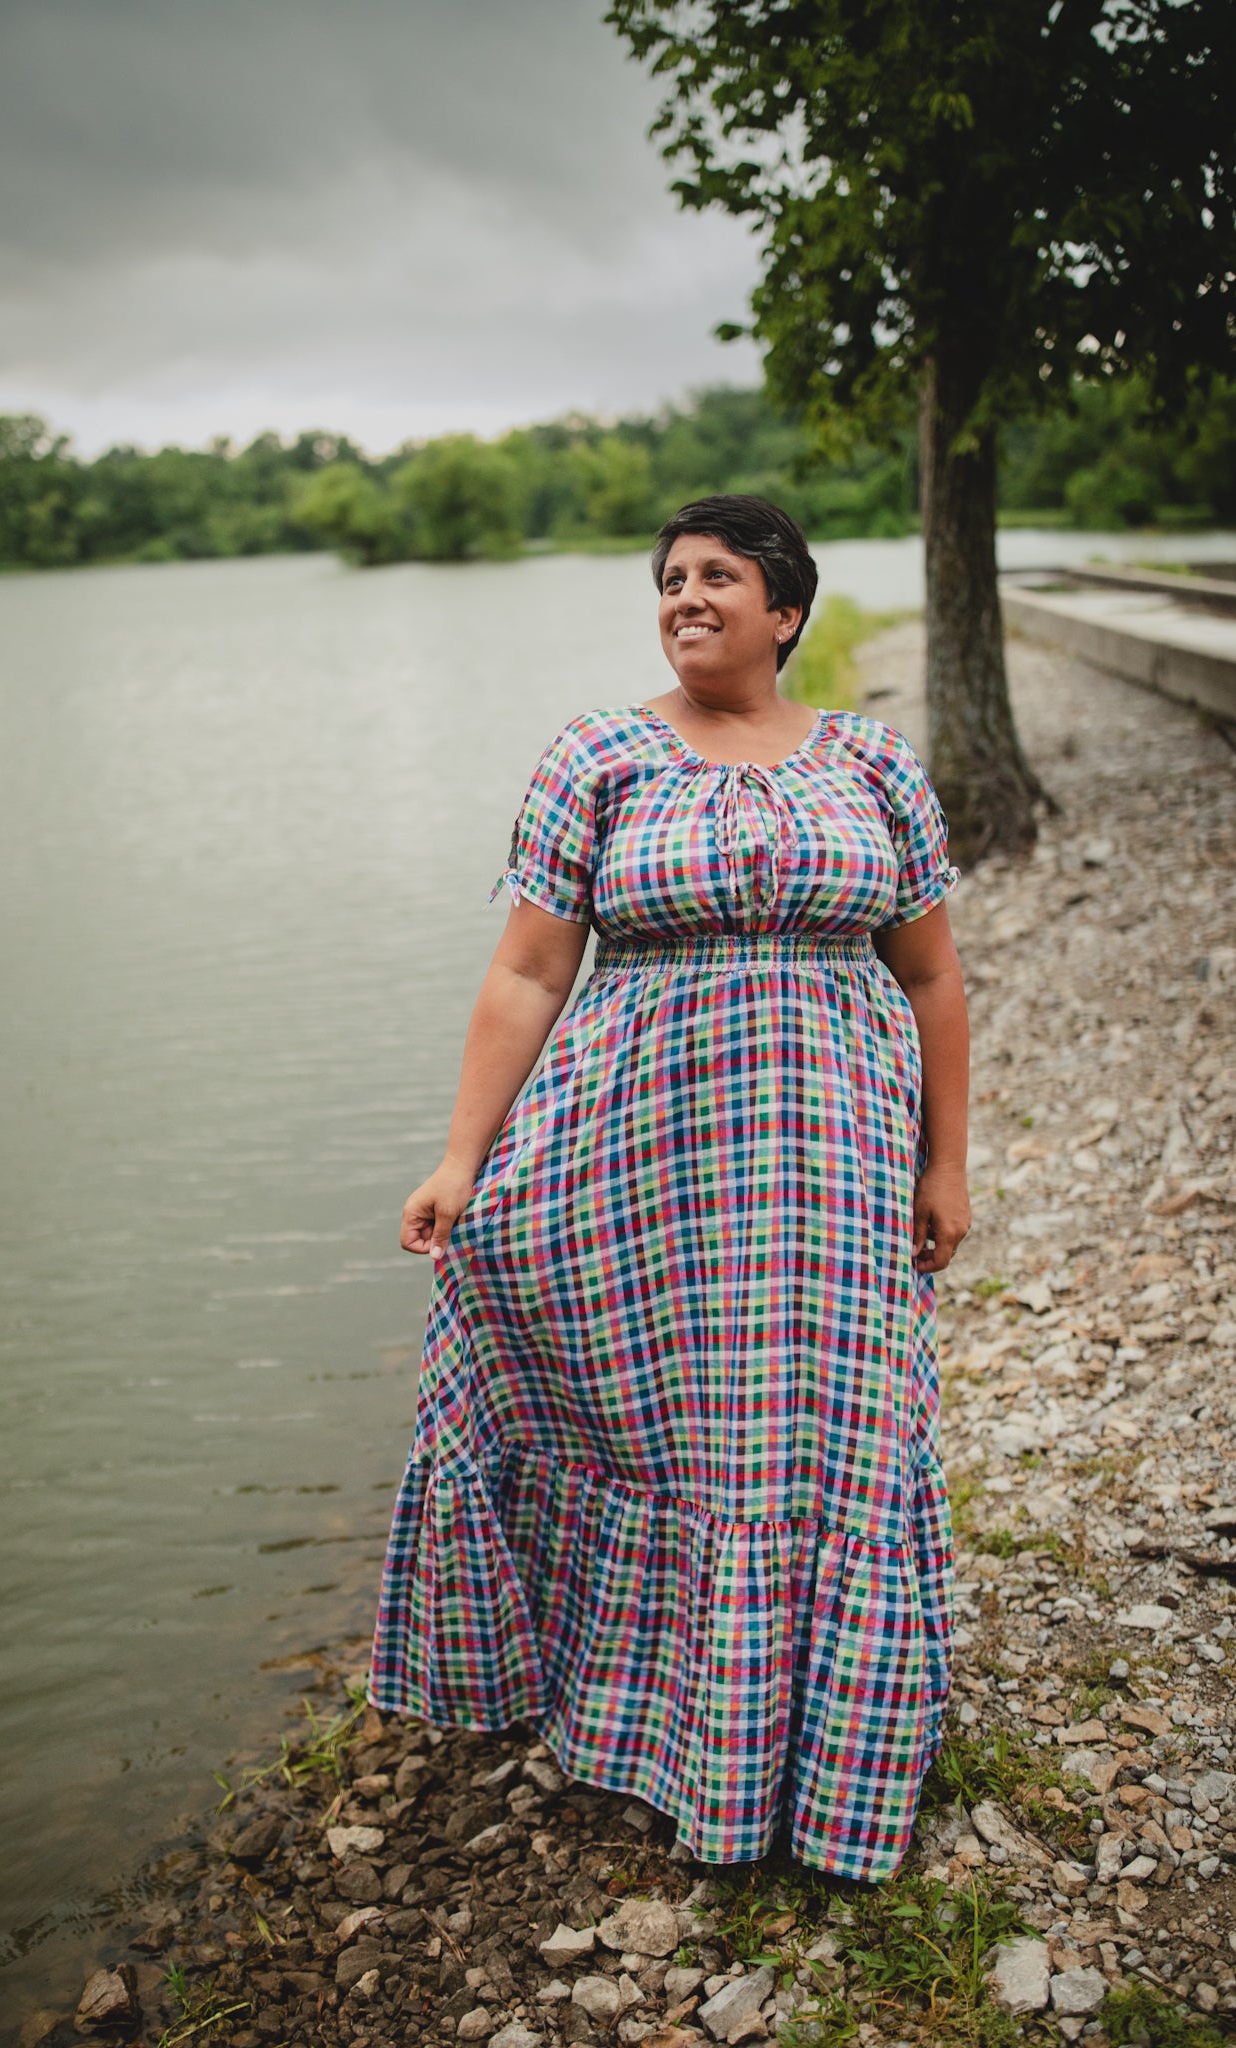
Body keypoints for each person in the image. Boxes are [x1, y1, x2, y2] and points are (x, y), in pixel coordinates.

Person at [366, 493, 971, 1881]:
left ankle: (835, 1765)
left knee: (830, 1433)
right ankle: (669, 1732)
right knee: (679, 1435)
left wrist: (946, 1160)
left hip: (832, 1167)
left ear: (787, 611)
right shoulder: (598, 755)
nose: (686, 595)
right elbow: (528, 970)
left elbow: (929, 974)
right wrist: (463, 1159)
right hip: (638, 1164)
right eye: (669, 578)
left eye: (719, 575)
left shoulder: (873, 766)